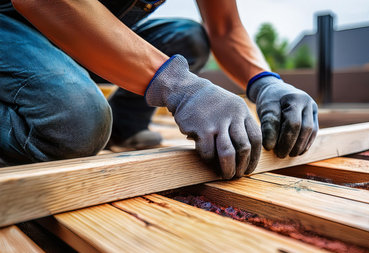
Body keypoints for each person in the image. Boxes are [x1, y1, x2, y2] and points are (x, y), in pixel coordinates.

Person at [0, 0, 318, 178]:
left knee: (189, 36)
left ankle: (124, 128)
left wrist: (266, 83)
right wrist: (179, 86)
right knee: (75, 124)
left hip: (70, 32)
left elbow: (224, 28)